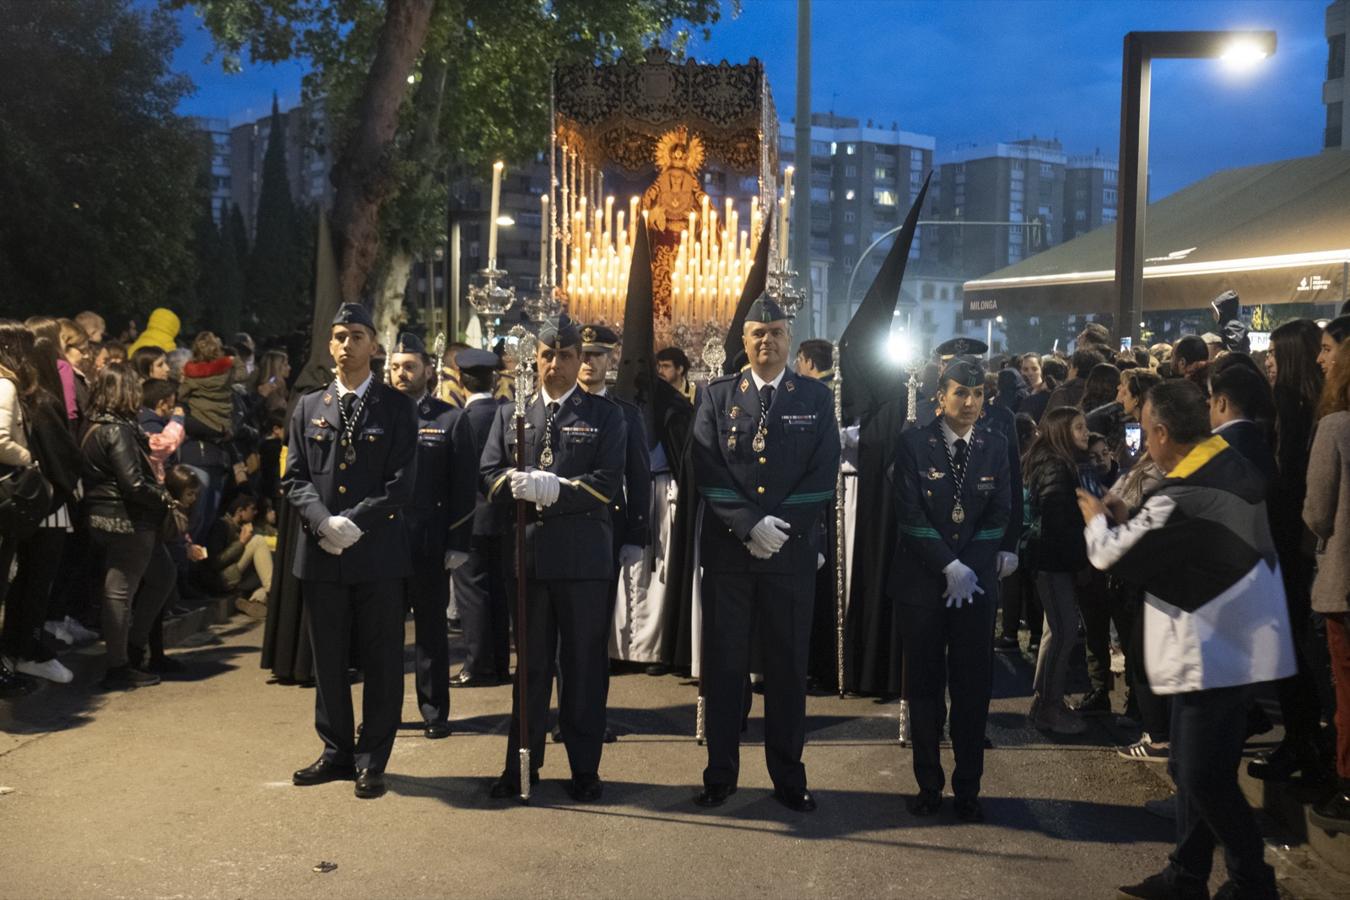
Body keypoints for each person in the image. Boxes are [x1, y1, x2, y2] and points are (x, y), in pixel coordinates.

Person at [1083, 379, 1292, 900]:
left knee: (1202, 775)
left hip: (1215, 648)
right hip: (1233, 641)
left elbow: (1112, 555)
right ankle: (1188, 874)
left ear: (1159, 433)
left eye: (1148, 433)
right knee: (1195, 768)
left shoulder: (1183, 493)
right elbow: (1185, 539)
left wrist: (1095, 521)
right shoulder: (1226, 465)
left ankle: (1251, 881)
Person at [690, 296, 839, 813]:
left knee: (787, 669)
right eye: (757, 333)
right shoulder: (715, 396)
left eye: (775, 332)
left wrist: (783, 527)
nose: (766, 341)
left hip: (790, 554)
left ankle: (788, 776)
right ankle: (720, 773)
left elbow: (823, 473)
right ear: (744, 341)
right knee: (725, 669)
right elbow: (705, 468)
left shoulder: (815, 399)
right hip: (731, 556)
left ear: (789, 337)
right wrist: (749, 525)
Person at [479, 315, 626, 802]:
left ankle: (585, 768)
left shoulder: (606, 415)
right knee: (532, 668)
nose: (556, 364)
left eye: (566, 356)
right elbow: (489, 473)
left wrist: (555, 490)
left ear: (581, 361)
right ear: (533, 359)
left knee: (583, 667)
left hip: (583, 561)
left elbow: (606, 484)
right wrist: (511, 486)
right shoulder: (513, 412)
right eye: (548, 355)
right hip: (530, 560)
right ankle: (522, 764)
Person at [285, 303, 418, 801]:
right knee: (328, 660)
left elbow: (403, 484)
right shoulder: (308, 406)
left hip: (377, 552)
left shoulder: (397, 407)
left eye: (357, 336)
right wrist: (322, 521)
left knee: (383, 661)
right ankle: (336, 750)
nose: (346, 345)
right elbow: (294, 476)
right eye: (339, 336)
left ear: (374, 346)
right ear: (330, 346)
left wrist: (352, 521)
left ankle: (372, 759)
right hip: (321, 550)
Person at [891, 353, 1010, 822]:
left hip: (974, 587)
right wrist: (947, 565)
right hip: (922, 584)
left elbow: (1000, 511)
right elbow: (909, 514)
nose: (971, 402)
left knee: (972, 688)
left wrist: (969, 568)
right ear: (940, 398)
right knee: (923, 688)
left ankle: (968, 788)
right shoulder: (913, 444)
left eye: (978, 394)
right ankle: (928, 784)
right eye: (961, 392)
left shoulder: (995, 444)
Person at [1248, 319, 1328, 787]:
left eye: (1276, 353)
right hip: (1295, 546)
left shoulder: (1293, 408)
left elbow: (1289, 483)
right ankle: (1299, 741)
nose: (1269, 362)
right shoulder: (1309, 406)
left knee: (1289, 649)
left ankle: (1301, 745)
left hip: (1287, 546)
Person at [387, 332, 476, 740]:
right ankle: (382, 712)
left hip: (429, 542)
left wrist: (459, 541)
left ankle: (434, 710)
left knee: (431, 634)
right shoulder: (376, 416)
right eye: (394, 367)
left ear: (427, 369)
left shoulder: (449, 419)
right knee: (382, 634)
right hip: (383, 540)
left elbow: (463, 486)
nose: (400, 374)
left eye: (408, 366)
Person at [80, 363, 177, 690]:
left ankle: (132, 649)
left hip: (105, 515)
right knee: (120, 591)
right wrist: (163, 499)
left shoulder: (93, 425)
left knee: (161, 576)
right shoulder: (118, 430)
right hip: (127, 520)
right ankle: (120, 663)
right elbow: (133, 484)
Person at [576, 325, 654, 670]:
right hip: (562, 526)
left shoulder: (625, 412)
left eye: (598, 355)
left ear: (611, 360)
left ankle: (590, 718)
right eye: (584, 355)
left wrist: (637, 533)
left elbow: (638, 475)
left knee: (595, 630)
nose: (589, 363)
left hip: (608, 526)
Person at [1021, 407, 1091, 735]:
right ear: (1062, 431)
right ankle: (1049, 707)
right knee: (1064, 632)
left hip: (1051, 560)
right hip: (1052, 562)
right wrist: (1076, 562)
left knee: (1057, 631)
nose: (1086, 433)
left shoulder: (1057, 463)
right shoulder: (1056, 467)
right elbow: (1055, 521)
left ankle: (1046, 701)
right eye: (1079, 428)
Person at [1307, 339, 1350, 832]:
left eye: (1328, 349)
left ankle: (1346, 784)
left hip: (1343, 576)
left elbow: (1317, 511)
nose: (1322, 360)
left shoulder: (1335, 427)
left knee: (1346, 688)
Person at [450, 348, 512, 687]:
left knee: (472, 593)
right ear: (494, 380)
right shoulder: (507, 413)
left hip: (470, 516)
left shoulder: (462, 419)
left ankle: (476, 664)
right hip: (502, 514)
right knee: (500, 592)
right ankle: (500, 662)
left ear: (461, 381)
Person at [197, 494, 273, 617]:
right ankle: (272, 592)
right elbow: (215, 562)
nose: (256, 512)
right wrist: (241, 543)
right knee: (258, 541)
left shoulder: (242, 527)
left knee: (267, 565)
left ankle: (256, 600)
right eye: (252, 509)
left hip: (235, 575)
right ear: (240, 511)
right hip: (221, 578)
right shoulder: (221, 525)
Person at [1044, 347, 1104, 414]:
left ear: (1076, 370)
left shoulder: (1063, 394)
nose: (1068, 372)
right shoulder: (1103, 394)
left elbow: (1050, 422)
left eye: (1070, 367)